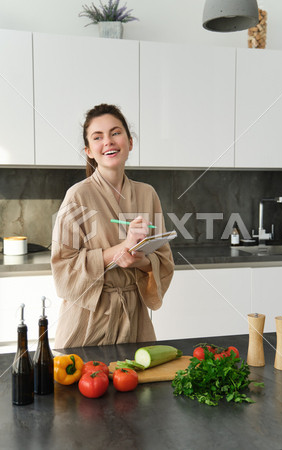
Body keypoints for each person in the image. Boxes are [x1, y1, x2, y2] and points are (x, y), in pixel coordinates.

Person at [51, 103, 174, 348]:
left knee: (140, 385)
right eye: (98, 137)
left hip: (135, 321)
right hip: (88, 321)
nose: (108, 141)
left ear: (129, 142)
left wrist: (141, 261)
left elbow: (164, 260)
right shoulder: (78, 197)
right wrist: (121, 249)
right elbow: (63, 268)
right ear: (89, 150)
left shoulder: (147, 194)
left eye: (115, 133)